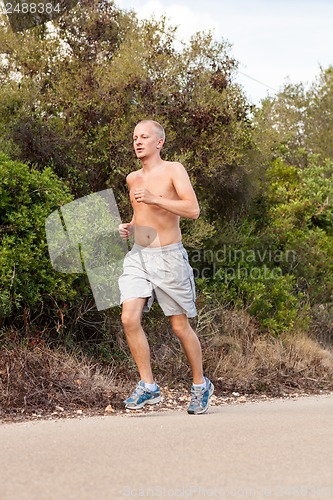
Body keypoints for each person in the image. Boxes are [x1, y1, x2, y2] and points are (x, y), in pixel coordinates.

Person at [118, 119, 214, 414]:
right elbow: (144, 216)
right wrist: (130, 227)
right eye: (135, 137)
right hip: (139, 256)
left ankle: (200, 385)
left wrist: (155, 198)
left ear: (159, 142)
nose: (138, 141)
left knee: (179, 326)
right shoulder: (132, 178)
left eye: (144, 137)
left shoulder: (174, 170)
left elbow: (192, 209)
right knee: (129, 318)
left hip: (169, 257)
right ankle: (148, 386)